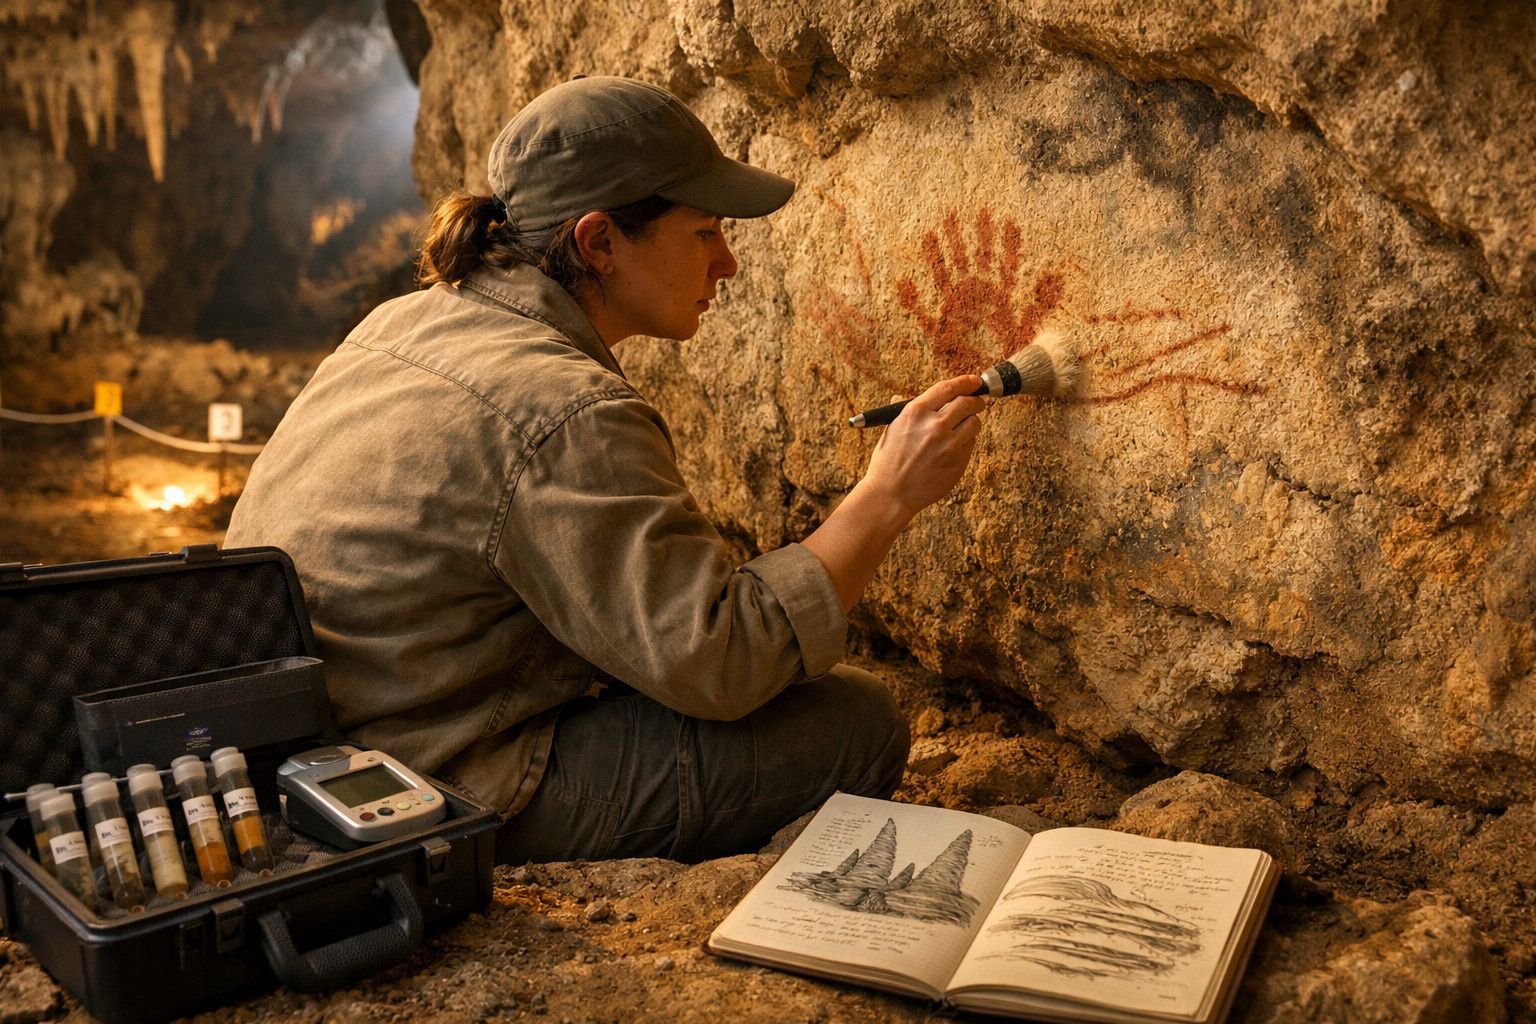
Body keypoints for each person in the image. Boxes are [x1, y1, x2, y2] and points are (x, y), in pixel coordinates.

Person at [224, 75, 988, 863]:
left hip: (297, 751)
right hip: (418, 782)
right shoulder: (563, 409)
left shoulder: (407, 319)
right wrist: (889, 494)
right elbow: (723, 662)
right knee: (853, 727)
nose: (726, 263)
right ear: (599, 243)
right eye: (703, 233)